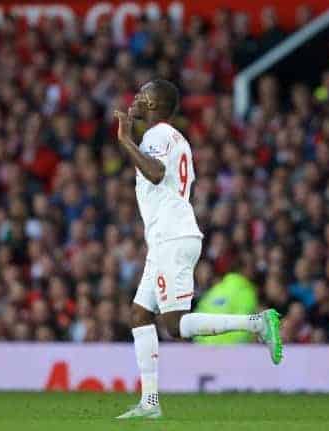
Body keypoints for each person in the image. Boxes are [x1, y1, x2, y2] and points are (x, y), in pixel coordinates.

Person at [113, 79, 282, 419]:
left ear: (153, 104)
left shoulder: (156, 136)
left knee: (175, 325)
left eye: (142, 95)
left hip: (172, 237)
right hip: (167, 236)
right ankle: (150, 403)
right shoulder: (175, 138)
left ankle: (257, 324)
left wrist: (124, 140)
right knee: (140, 314)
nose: (135, 98)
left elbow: (157, 173)